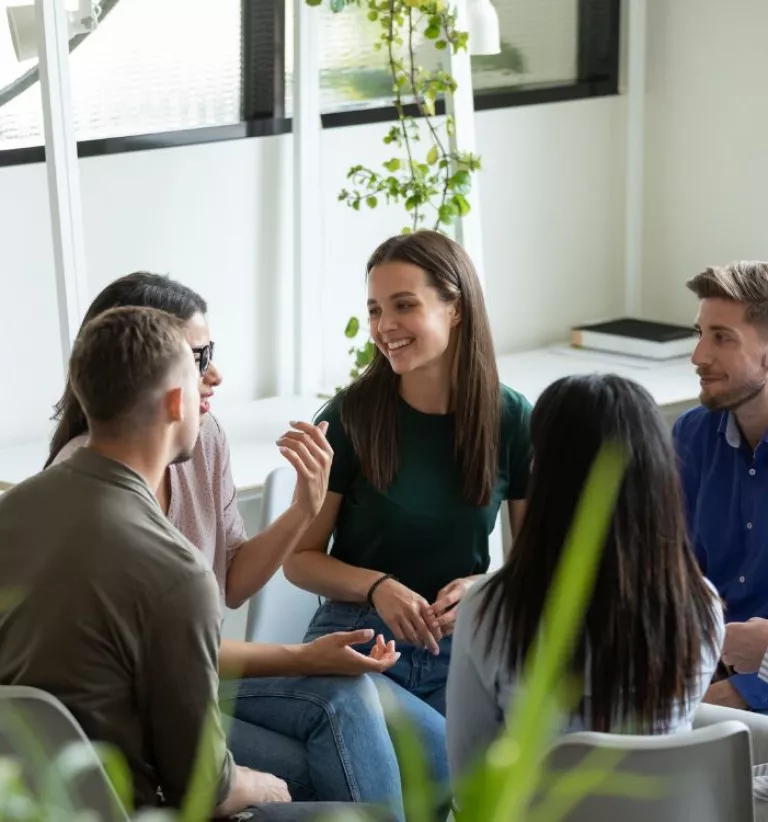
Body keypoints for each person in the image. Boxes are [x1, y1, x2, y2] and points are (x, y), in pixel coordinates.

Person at [46, 273, 415, 820]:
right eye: (198, 358)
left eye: (210, 353)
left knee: (348, 699)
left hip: (200, 680)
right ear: (144, 369)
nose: (215, 374)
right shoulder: (91, 487)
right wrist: (305, 656)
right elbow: (159, 662)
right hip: (151, 708)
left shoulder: (203, 435)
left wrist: (304, 510)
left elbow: (233, 583)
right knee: (321, 760)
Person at [0, 306, 341, 818]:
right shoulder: (176, 574)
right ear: (177, 402)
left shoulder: (13, 510)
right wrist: (264, 786)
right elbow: (204, 788)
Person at [284, 230, 532, 722]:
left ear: (455, 308)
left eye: (404, 305)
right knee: (433, 754)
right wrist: (378, 586)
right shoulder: (350, 417)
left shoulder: (510, 418)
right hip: (360, 637)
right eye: (375, 310)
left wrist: (484, 587)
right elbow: (299, 559)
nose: (384, 326)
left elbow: (539, 562)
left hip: (461, 646)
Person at [445, 374, 723, 784]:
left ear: (546, 477)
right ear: (660, 477)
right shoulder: (702, 607)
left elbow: (469, 780)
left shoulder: (490, 609)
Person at [673, 261, 768, 712]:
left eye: (721, 338)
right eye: (700, 334)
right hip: (703, 665)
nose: (698, 356)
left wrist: (743, 693)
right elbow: (674, 571)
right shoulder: (693, 435)